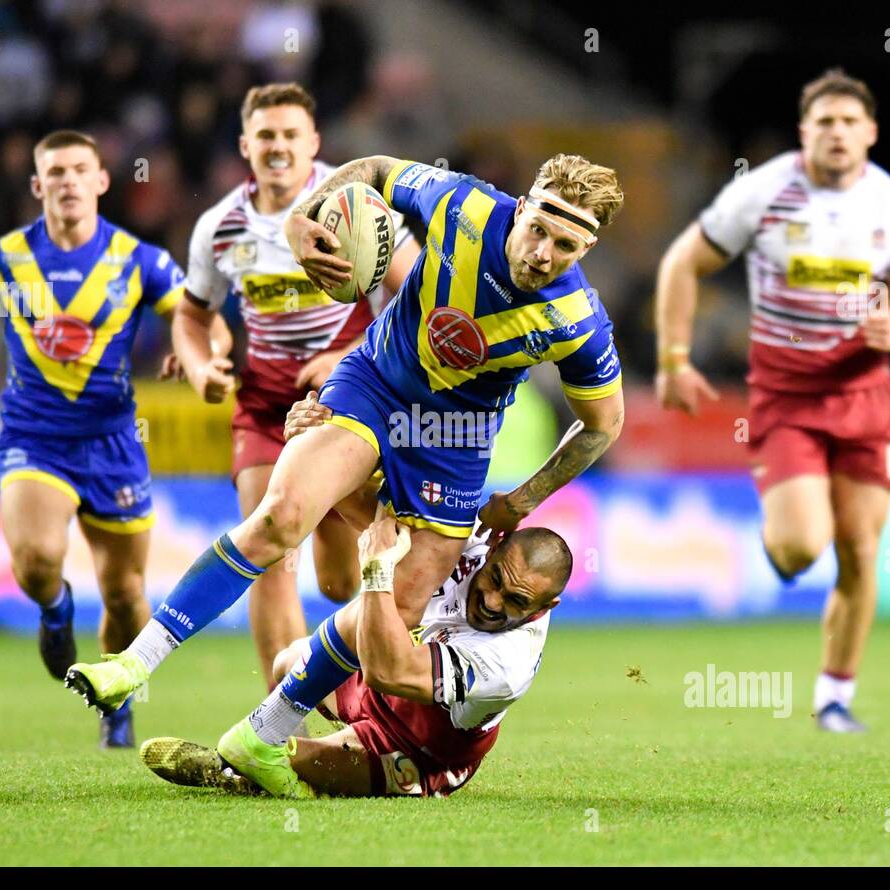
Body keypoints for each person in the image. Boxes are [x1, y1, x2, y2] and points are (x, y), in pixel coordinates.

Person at [65, 153, 626, 773]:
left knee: (396, 605)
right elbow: (377, 169)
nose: (543, 253)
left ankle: (262, 735)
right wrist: (306, 219)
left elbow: (605, 425)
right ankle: (132, 663)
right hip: (376, 385)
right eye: (539, 229)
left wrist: (523, 498)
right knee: (280, 519)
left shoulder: (577, 323)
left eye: (566, 246)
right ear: (522, 207)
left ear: (586, 250)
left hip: (454, 440)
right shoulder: (463, 204)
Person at [654, 69, 890, 731]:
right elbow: (681, 263)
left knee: (861, 552)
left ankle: (834, 696)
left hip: (868, 396)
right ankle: (783, 533)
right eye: (824, 122)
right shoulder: (764, 191)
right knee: (802, 548)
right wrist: (672, 360)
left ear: (869, 132)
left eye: (849, 122)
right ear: (805, 131)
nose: (837, 133)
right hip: (788, 398)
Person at [0, 130, 185, 747]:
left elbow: (189, 315)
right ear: (37, 186)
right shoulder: (1, 259)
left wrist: (197, 355)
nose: (66, 181)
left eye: (79, 169)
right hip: (35, 439)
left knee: (125, 595)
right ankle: (54, 609)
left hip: (113, 443)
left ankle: (117, 703)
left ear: (101, 181)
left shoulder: (140, 259)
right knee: (33, 562)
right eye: (54, 172)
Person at [173, 82, 418, 687]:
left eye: (289, 135)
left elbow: (418, 297)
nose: (278, 147)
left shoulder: (359, 206)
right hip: (264, 407)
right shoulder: (219, 227)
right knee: (272, 555)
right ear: (245, 145)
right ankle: (278, 723)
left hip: (351, 403)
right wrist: (202, 366)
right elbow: (191, 316)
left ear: (313, 142)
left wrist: (347, 352)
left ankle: (365, 688)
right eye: (265, 136)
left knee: (340, 579)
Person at [141, 508, 569, 798]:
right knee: (286, 662)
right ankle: (266, 758)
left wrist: (377, 570)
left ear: (545, 608)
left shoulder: (508, 665)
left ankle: (240, 771)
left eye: (515, 601)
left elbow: (390, 671)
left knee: (301, 758)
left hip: (419, 746)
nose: (493, 602)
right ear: (493, 549)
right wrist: (321, 429)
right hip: (386, 676)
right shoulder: (475, 539)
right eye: (494, 580)